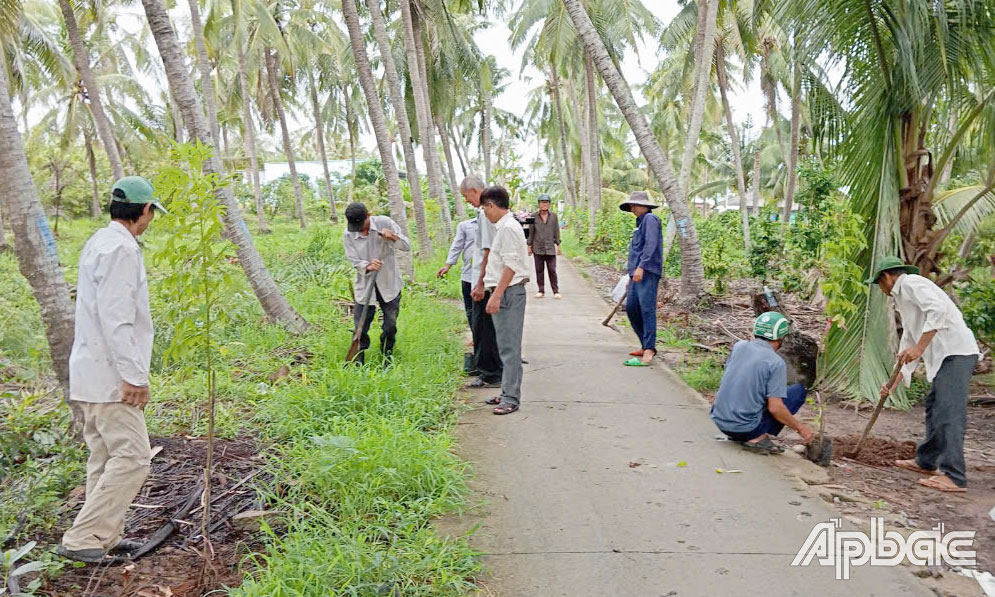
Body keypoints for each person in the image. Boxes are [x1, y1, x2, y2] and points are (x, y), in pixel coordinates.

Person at [58, 176, 167, 563]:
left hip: (89, 372)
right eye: (152, 213)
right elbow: (118, 319)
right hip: (110, 378)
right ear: (145, 210)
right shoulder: (121, 249)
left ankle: (102, 536)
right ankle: (84, 536)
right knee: (134, 457)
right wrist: (134, 376)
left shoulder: (98, 242)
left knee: (104, 459)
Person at [870, 256, 980, 493]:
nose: (880, 290)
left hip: (956, 352)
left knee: (948, 413)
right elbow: (909, 339)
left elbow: (937, 311)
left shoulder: (911, 283)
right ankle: (926, 461)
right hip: (945, 358)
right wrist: (894, 381)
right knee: (934, 408)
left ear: (887, 277)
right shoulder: (902, 298)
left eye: (879, 284)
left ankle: (955, 476)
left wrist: (920, 348)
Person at [710, 312, 816, 454]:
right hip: (745, 429)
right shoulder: (775, 362)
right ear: (782, 338)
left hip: (720, 420)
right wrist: (801, 428)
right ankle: (756, 438)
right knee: (797, 392)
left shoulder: (739, 346)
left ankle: (744, 429)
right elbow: (775, 408)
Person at [482, 185, 530, 415]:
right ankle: (506, 391)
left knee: (510, 347)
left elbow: (511, 265)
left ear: (491, 205)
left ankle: (511, 398)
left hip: (509, 292)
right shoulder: (504, 228)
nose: (484, 213)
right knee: (504, 346)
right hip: (504, 291)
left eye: (484, 208)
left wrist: (497, 294)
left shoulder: (509, 228)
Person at [343, 202, 411, 365]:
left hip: (389, 283)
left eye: (362, 225)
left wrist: (393, 237)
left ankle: (387, 356)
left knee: (390, 325)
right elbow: (352, 259)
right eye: (356, 226)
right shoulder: (348, 234)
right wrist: (367, 266)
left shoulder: (385, 223)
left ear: (369, 215)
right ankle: (358, 362)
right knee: (361, 327)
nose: (360, 230)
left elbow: (407, 246)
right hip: (365, 286)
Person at [461, 175, 503, 389]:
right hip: (488, 278)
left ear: (476, 191)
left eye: (467, 197)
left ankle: (489, 374)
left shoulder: (486, 214)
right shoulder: (487, 213)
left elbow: (487, 250)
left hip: (485, 280)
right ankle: (492, 369)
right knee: (487, 327)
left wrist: (479, 283)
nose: (467, 201)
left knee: (483, 327)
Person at [621, 191, 663, 366]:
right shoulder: (639, 223)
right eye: (631, 205)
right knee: (631, 308)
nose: (633, 208)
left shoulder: (650, 220)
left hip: (647, 271)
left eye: (635, 205)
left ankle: (649, 348)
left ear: (645, 206)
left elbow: (651, 245)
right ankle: (644, 343)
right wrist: (631, 274)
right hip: (635, 273)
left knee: (647, 309)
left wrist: (642, 267)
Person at [437, 217, 478, 329]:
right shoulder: (465, 225)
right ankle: (475, 334)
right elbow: (457, 245)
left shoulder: (495, 224)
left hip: (487, 276)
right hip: (468, 274)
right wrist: (447, 265)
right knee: (470, 308)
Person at [528, 193, 562, 299]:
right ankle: (541, 290)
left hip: (550, 248)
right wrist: (529, 246)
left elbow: (556, 230)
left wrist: (558, 245)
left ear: (549, 204)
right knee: (539, 270)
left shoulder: (554, 216)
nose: (544, 204)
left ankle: (556, 291)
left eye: (546, 202)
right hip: (537, 247)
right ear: (539, 204)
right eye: (542, 202)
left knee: (552, 269)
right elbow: (531, 232)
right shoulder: (533, 216)